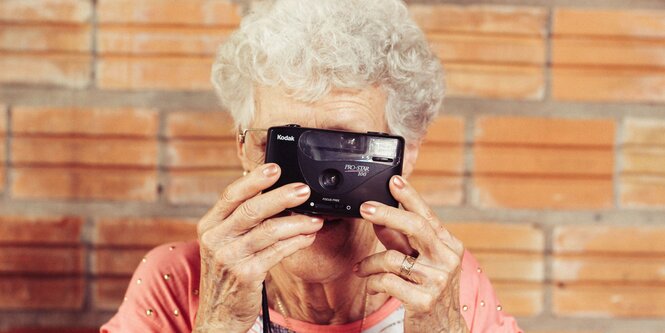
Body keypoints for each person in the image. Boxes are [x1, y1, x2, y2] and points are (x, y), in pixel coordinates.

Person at [101, 0, 523, 332]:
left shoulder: (445, 285)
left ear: (406, 153)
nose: (312, 185)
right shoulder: (176, 280)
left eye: (345, 146)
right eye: (283, 145)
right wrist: (218, 324)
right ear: (246, 150)